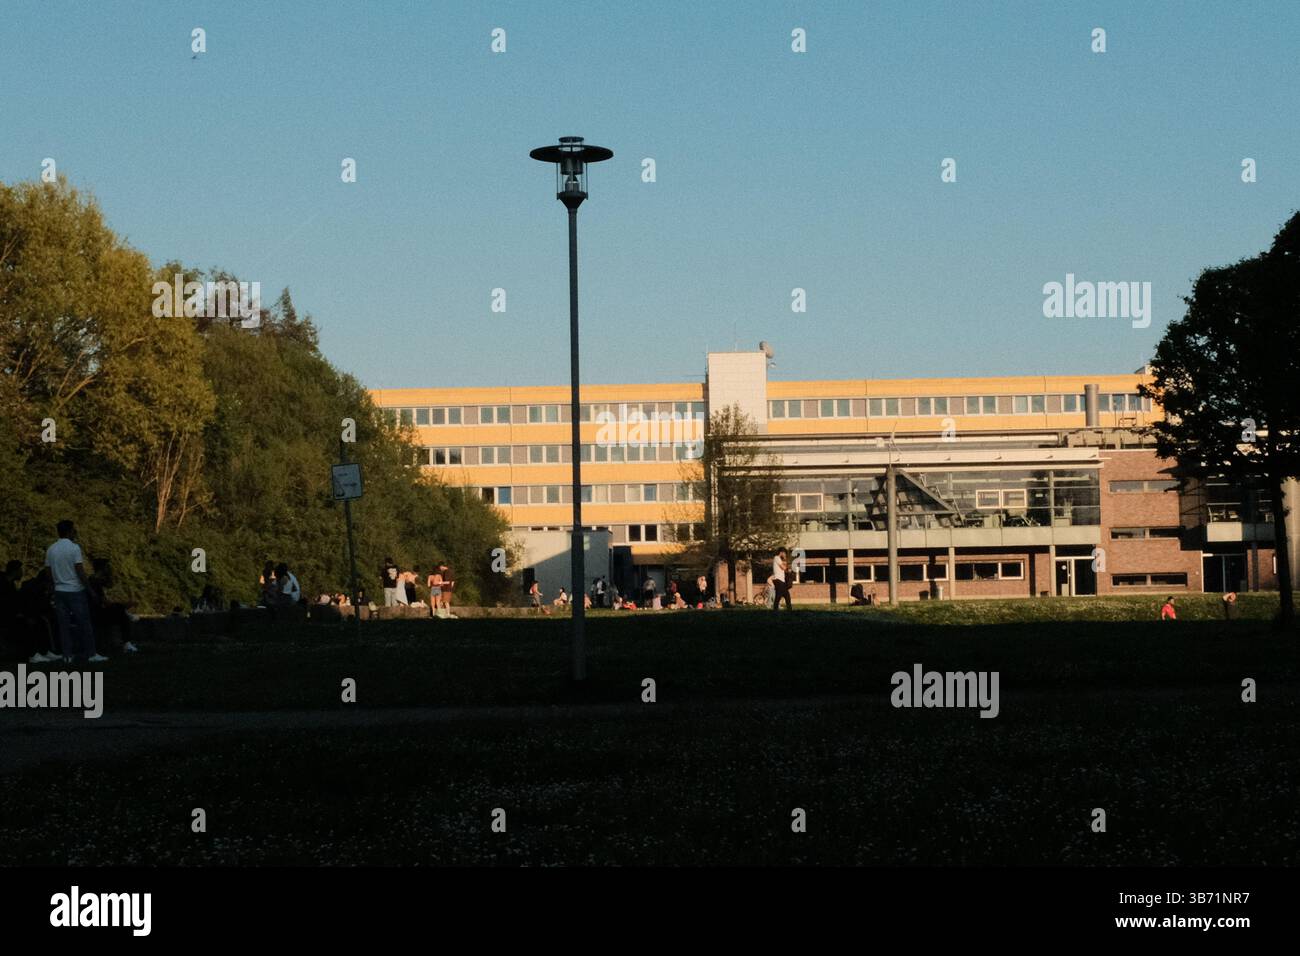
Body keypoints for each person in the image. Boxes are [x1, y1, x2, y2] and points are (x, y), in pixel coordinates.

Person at [45, 520, 102, 663]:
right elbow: (80, 571)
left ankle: (67, 655)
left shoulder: (51, 549)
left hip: (59, 590)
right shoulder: (74, 548)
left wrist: (53, 588)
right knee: (84, 623)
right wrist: (89, 590)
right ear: (70, 531)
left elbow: (48, 571)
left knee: (63, 625)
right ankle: (91, 653)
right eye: (74, 530)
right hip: (75, 590)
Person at [88, 558, 139, 654]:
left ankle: (127, 642)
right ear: (103, 568)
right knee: (121, 614)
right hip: (98, 613)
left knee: (121, 613)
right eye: (108, 567)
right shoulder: (95, 582)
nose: (110, 569)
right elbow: (105, 602)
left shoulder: (95, 580)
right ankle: (127, 644)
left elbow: (110, 585)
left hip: (98, 611)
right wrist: (125, 605)